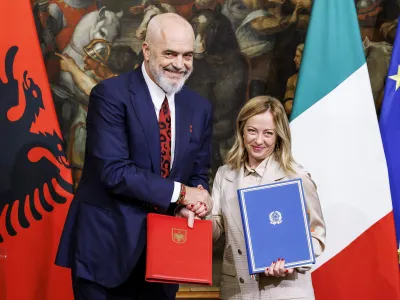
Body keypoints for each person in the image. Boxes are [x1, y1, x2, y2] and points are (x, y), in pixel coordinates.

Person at [55, 12, 213, 300]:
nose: (180, 64)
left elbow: (198, 172)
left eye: (187, 55)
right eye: (170, 53)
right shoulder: (110, 95)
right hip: (106, 252)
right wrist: (182, 193)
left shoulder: (199, 107)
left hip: (165, 259)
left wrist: (195, 203)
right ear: (147, 50)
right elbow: (114, 171)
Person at [203, 96, 326, 300]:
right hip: (237, 292)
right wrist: (203, 210)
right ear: (241, 130)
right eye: (252, 131)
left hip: (285, 291)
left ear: (278, 136)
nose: (259, 141)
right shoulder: (225, 174)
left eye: (268, 133)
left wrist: (291, 261)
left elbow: (317, 236)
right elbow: (214, 231)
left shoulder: (296, 177)